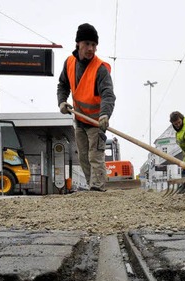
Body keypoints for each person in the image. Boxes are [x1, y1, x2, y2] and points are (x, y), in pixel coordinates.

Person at [57, 23, 116, 192]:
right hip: (80, 120)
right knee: (83, 157)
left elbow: (108, 94)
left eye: (94, 45)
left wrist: (105, 115)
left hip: (97, 122)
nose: (91, 48)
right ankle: (93, 189)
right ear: (78, 44)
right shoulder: (69, 63)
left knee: (95, 156)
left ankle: (98, 189)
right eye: (87, 44)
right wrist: (62, 101)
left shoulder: (100, 69)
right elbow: (62, 85)